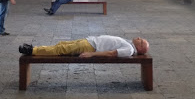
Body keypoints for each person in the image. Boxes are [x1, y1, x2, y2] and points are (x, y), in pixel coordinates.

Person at [19, 35, 149, 57]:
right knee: (62, 44)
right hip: (90, 41)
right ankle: (37, 49)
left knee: (61, 49)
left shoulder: (129, 49)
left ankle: (32, 50)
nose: (139, 38)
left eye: (141, 40)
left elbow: (111, 53)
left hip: (90, 47)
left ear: (140, 48)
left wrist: (92, 54)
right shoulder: (129, 44)